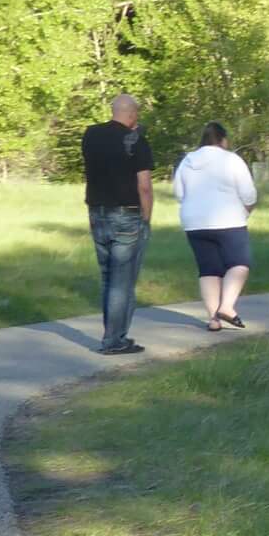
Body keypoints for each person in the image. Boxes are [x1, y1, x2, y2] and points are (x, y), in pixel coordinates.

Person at [79, 95, 154, 355]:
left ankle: (113, 335)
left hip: (97, 212)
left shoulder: (90, 135)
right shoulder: (137, 142)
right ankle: (114, 340)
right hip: (126, 214)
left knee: (108, 277)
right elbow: (143, 185)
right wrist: (146, 218)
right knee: (122, 281)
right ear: (133, 114)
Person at [173, 122, 259, 332]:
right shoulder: (231, 160)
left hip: (194, 222)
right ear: (223, 140)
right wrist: (246, 210)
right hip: (228, 219)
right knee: (239, 263)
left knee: (208, 269)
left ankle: (213, 319)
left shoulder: (187, 162)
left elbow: (179, 193)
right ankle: (227, 307)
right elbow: (248, 193)